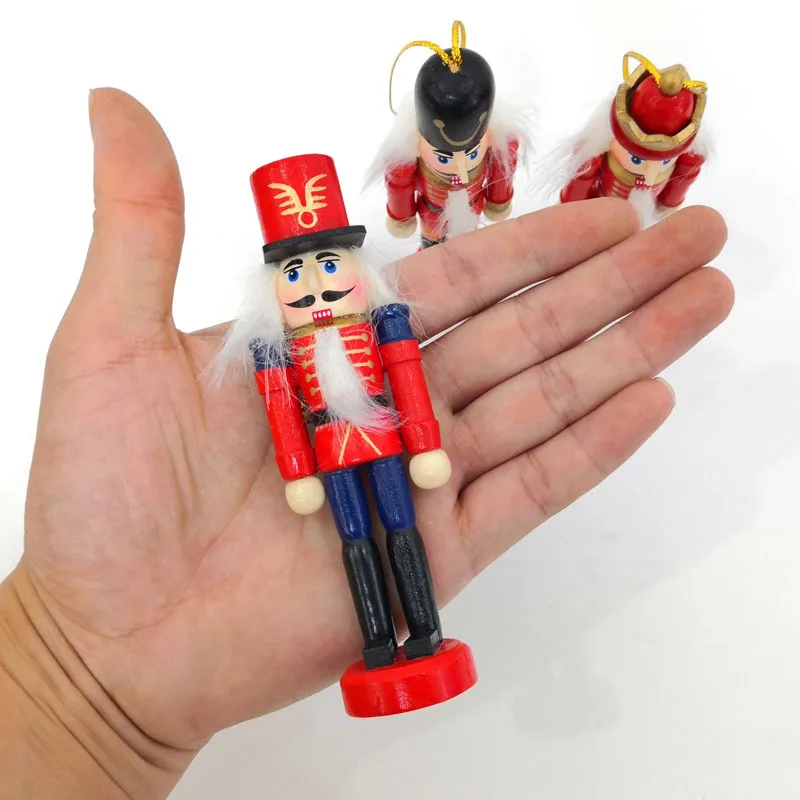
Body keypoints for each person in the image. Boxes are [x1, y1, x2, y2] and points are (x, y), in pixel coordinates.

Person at [0, 88, 733, 798]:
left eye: (329, 267)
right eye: (298, 273)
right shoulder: (278, 354)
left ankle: (426, 630)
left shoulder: (384, 329)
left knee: (403, 532)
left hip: (385, 446)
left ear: (356, 271)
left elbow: (408, 385)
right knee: (355, 542)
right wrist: (296, 472)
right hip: (331, 459)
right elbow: (284, 416)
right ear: (273, 290)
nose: (317, 286)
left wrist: (425, 444)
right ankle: (377, 637)